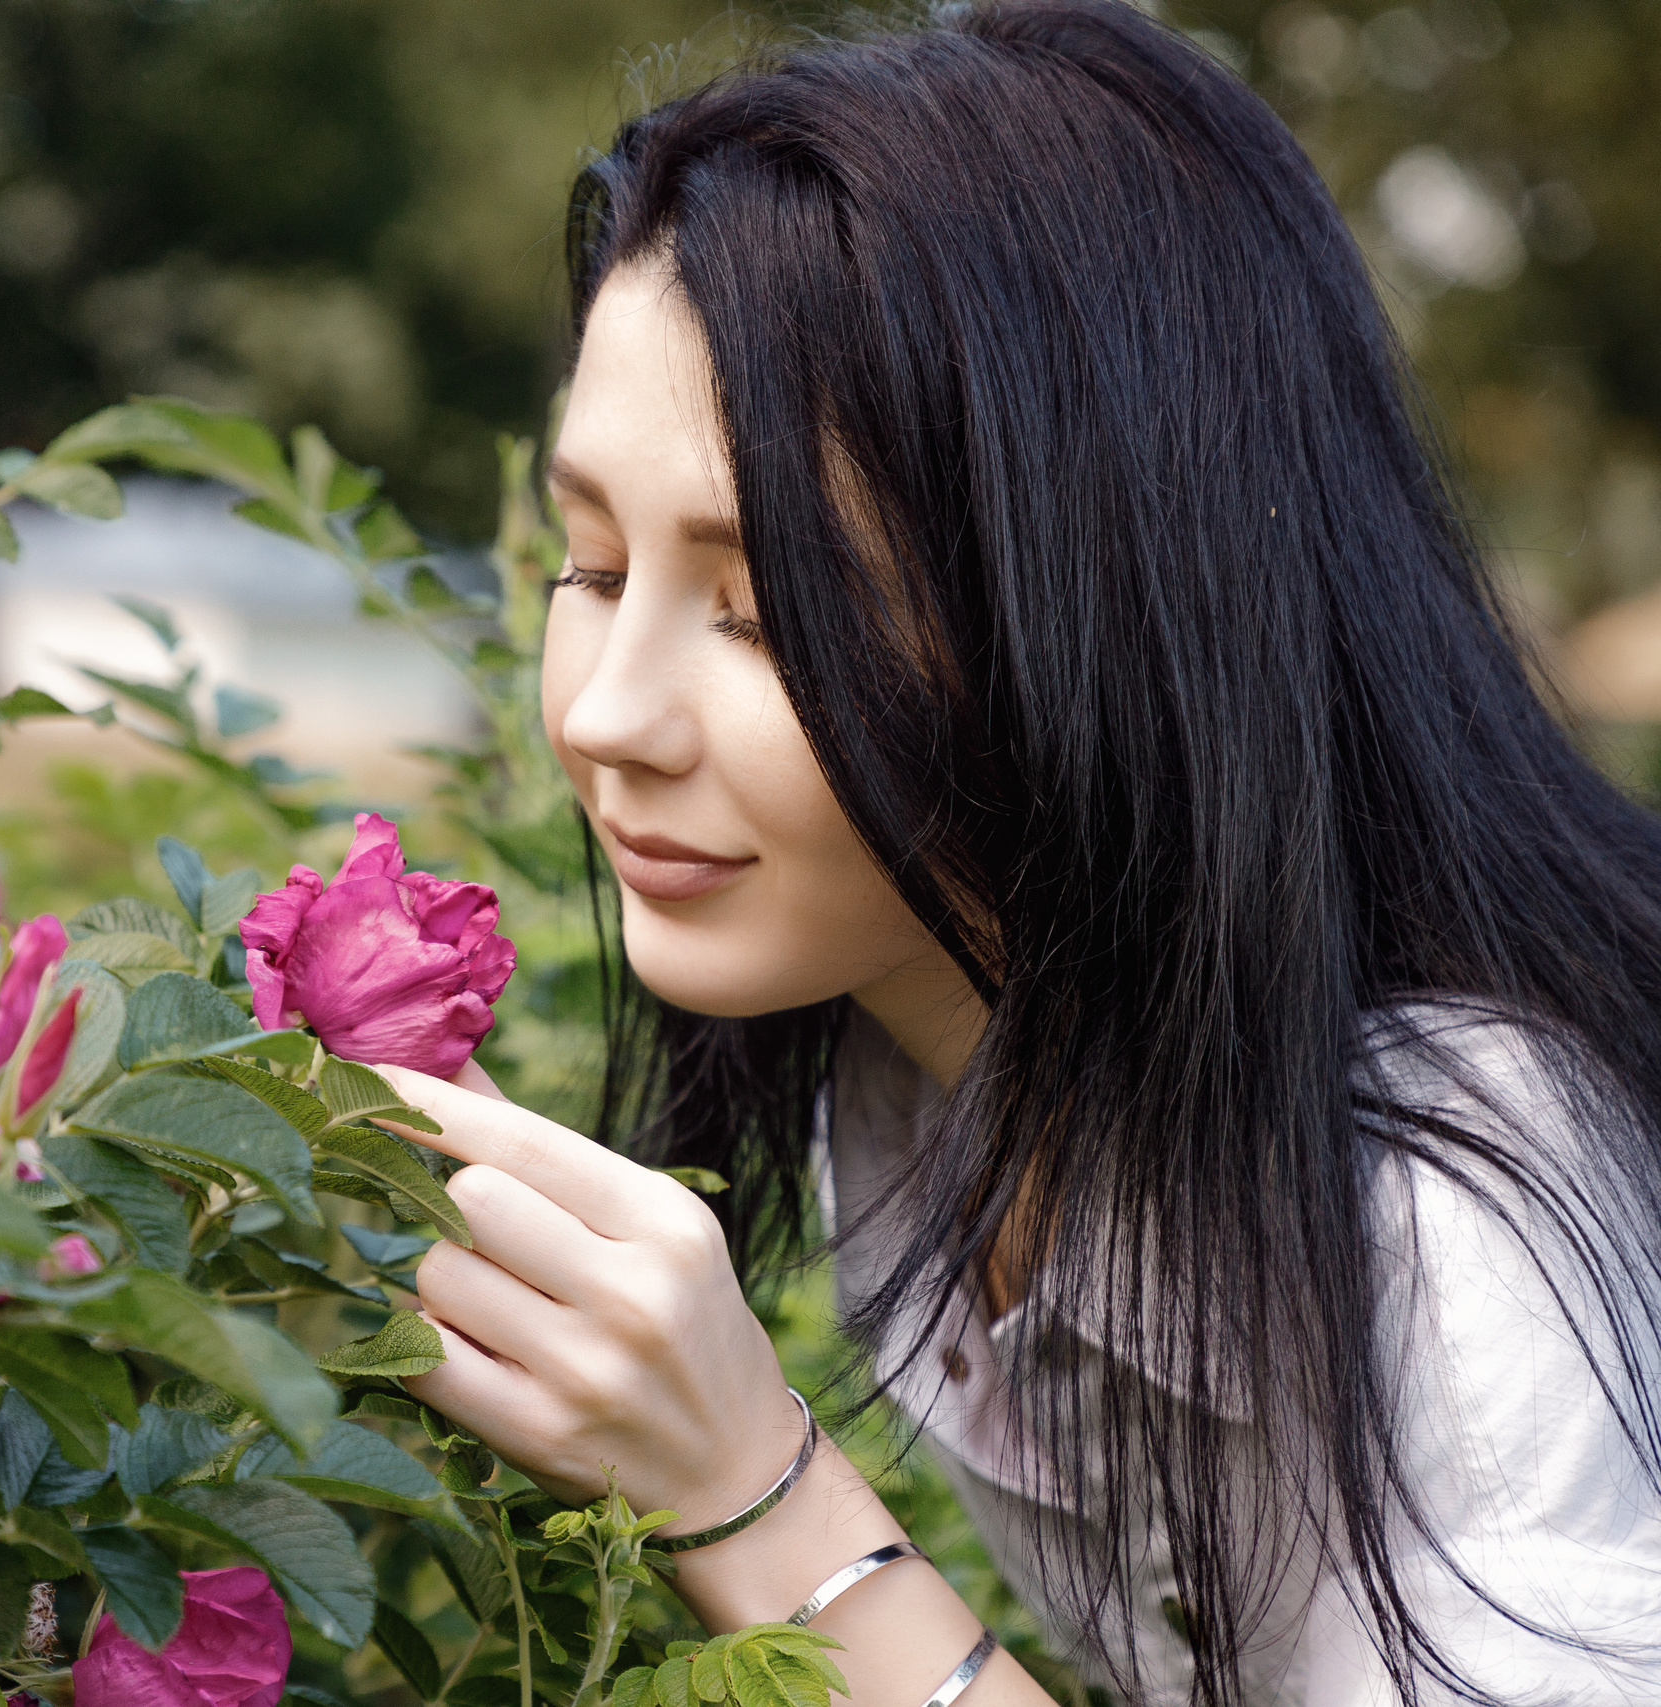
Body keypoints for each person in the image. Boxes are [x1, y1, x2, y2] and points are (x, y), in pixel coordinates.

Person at [370, 3, 1661, 1703]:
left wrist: (751, 1497)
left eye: (761, 615)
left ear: (1099, 615)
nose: (610, 715)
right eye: (595, 570)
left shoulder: (1448, 1231)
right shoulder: (904, 1069)